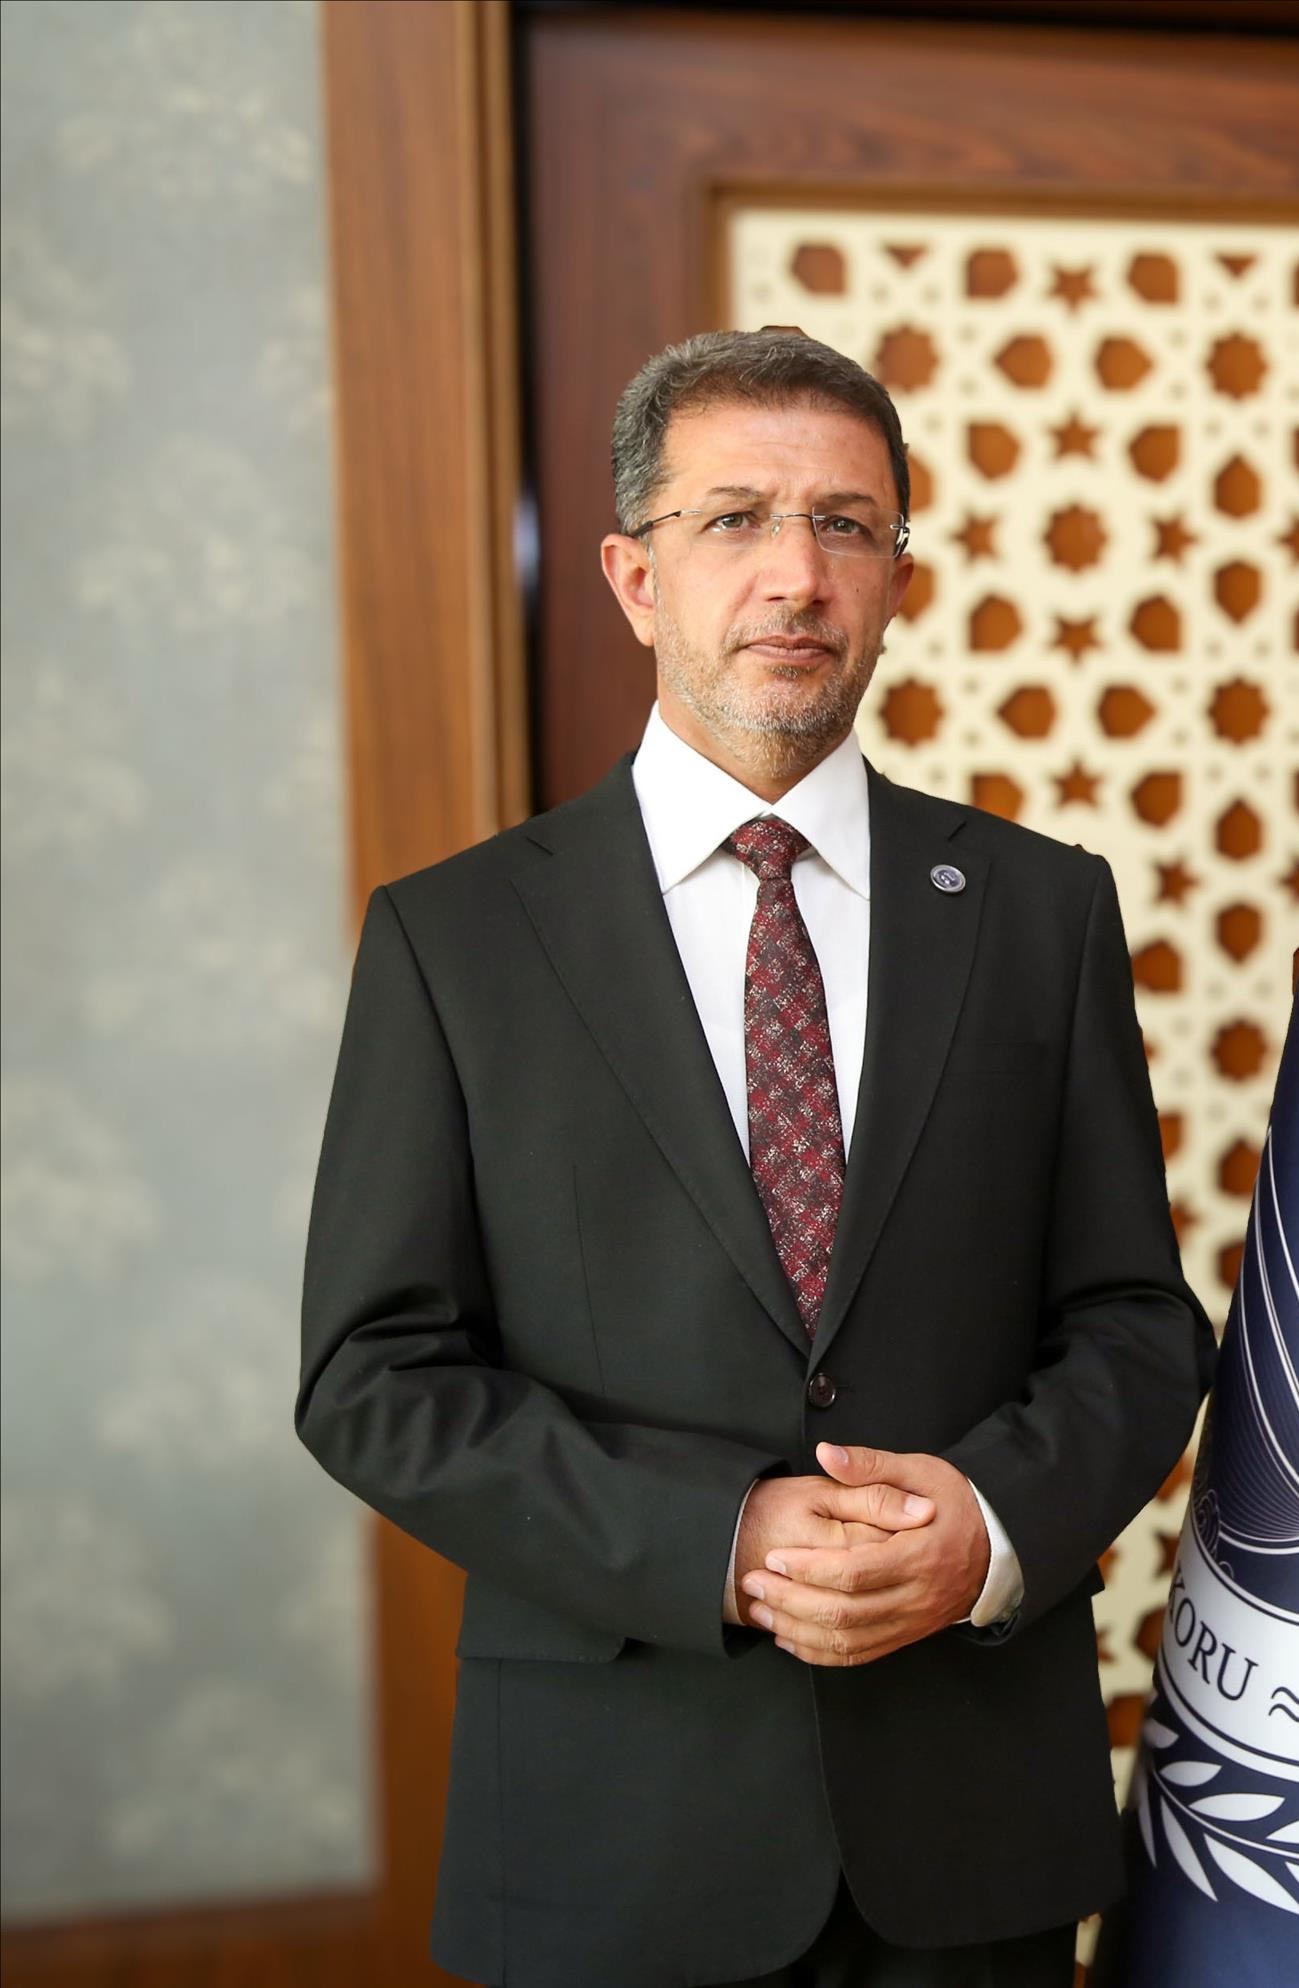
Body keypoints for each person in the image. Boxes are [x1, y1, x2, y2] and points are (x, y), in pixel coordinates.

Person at [298, 327, 1211, 1988]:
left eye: (846, 525)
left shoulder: (1038, 910)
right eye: (734, 519)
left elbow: (1137, 1325)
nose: (796, 575)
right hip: (611, 1836)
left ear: (897, 580)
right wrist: (717, 1539)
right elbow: (373, 1377)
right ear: (635, 577)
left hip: (970, 1831)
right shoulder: (457, 940)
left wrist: (989, 1525)